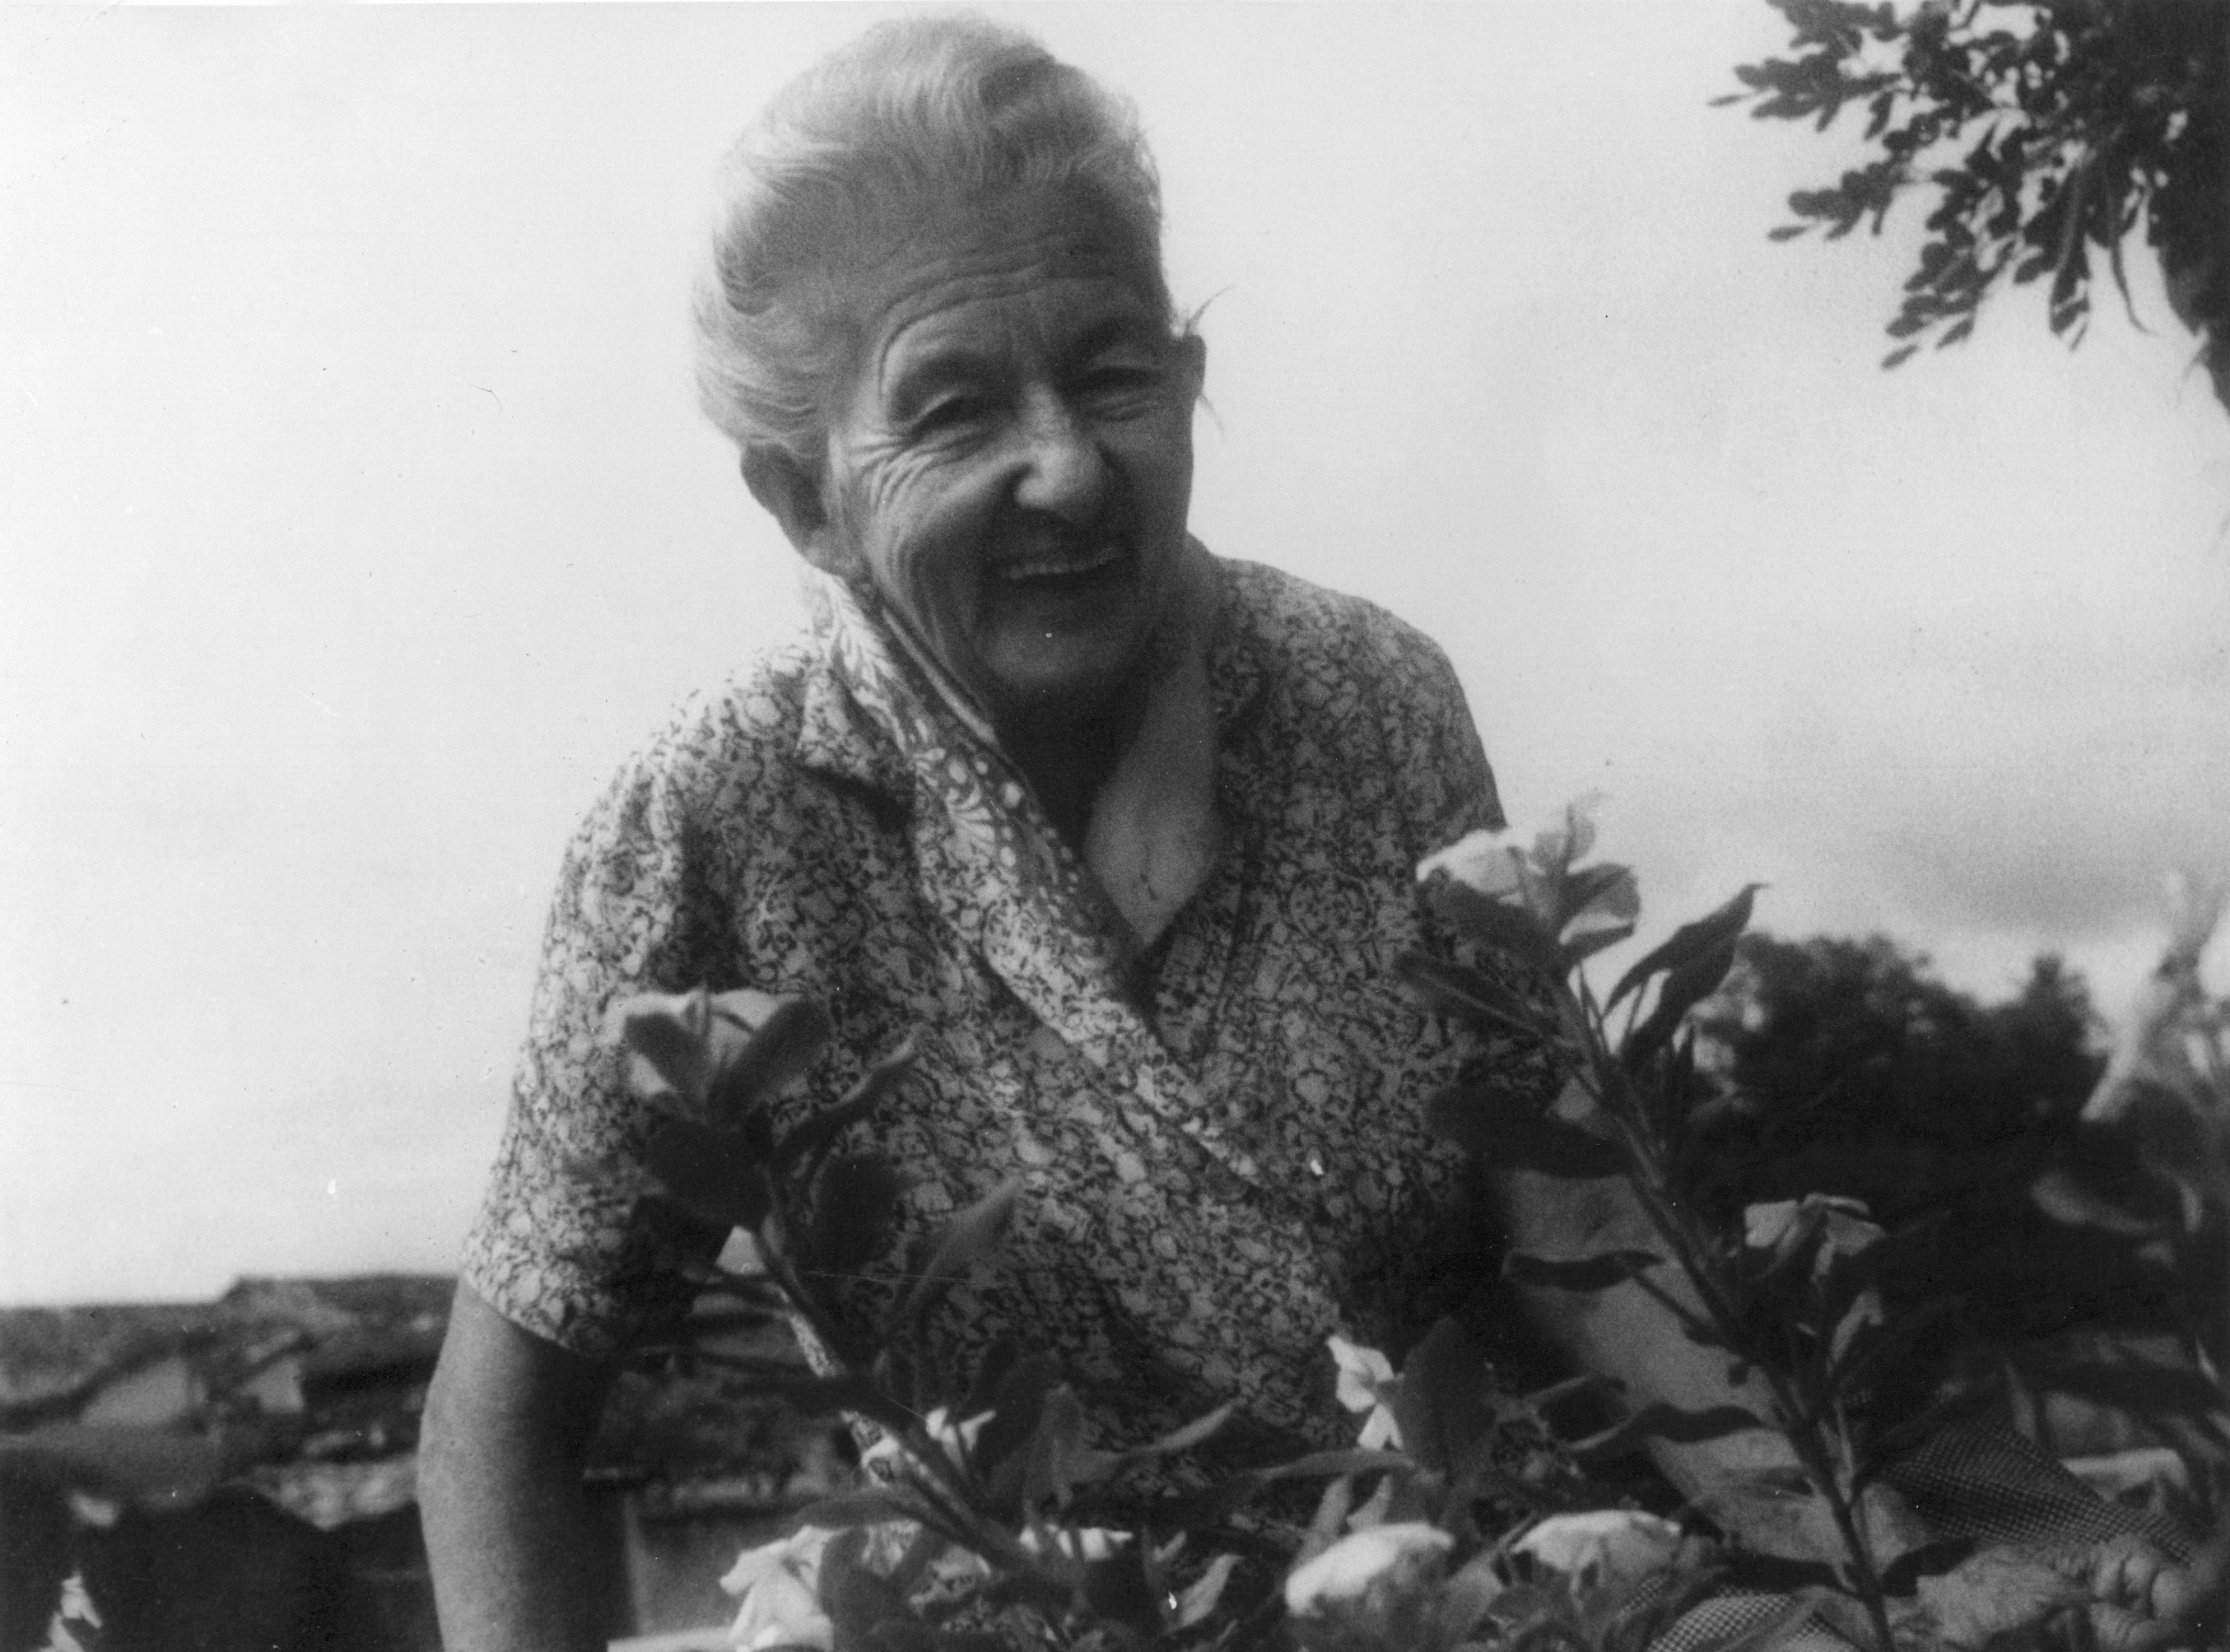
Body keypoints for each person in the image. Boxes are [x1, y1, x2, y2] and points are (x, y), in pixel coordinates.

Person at [417, 18, 2208, 1651]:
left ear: (1189, 376)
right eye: (953, 407)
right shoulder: (714, 818)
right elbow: (502, 1418)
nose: (1067, 466)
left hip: (1484, 1577)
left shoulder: (1363, 697)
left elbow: (1580, 1224)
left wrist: (1877, 1565)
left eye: (1112, 375)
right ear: (801, 497)